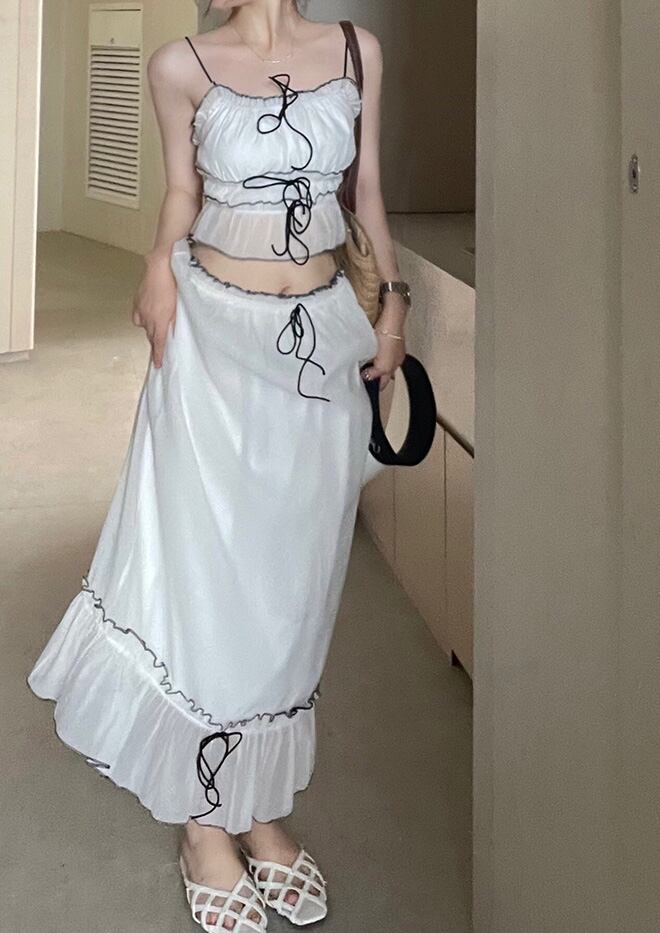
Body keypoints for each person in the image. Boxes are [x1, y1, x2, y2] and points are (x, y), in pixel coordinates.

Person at [27, 2, 410, 930]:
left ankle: (259, 804)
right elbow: (181, 194)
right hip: (210, 343)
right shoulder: (178, 65)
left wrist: (393, 305)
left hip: (323, 340)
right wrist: (157, 265)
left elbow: (364, 192)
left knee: (295, 582)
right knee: (211, 575)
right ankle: (206, 820)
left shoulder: (357, 51)